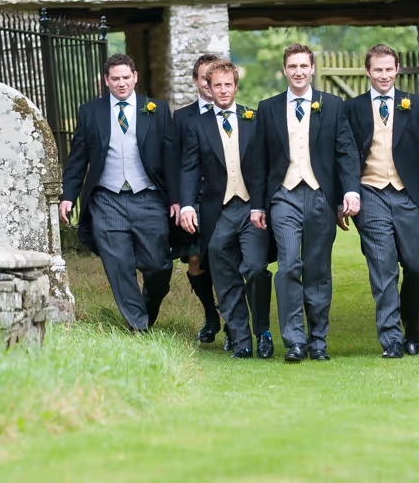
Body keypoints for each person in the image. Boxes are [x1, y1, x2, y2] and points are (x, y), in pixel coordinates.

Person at [250, 43, 361, 363]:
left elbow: (346, 153)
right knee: (288, 266)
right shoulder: (268, 108)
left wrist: (349, 192)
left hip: (320, 196)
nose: (298, 72)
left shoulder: (333, 104)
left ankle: (318, 341)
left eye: (304, 66)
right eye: (292, 66)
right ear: (285, 70)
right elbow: (259, 161)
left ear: (312, 69)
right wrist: (259, 205)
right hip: (283, 197)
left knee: (318, 270)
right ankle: (295, 341)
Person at [59, 53, 180, 331]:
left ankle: (146, 311)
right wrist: (68, 196)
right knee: (119, 265)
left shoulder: (157, 109)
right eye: (115, 79)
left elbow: (171, 158)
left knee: (159, 266)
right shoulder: (91, 112)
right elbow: (77, 158)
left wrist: (175, 199)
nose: (122, 84)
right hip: (106, 199)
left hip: (147, 197)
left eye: (126, 77)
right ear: (106, 81)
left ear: (135, 77)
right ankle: (139, 327)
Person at [345, 44, 419, 358]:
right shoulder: (354, 107)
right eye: (378, 70)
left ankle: (412, 328)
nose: (384, 75)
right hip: (371, 193)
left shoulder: (414, 104)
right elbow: (346, 155)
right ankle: (391, 339)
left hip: (408, 195)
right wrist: (346, 194)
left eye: (389, 69)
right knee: (383, 268)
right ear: (368, 71)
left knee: (417, 267)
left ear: (397, 69)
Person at [179, 60, 272, 359]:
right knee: (225, 276)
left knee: (257, 269)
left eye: (227, 84)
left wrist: (263, 205)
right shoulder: (198, 124)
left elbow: (264, 167)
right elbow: (189, 169)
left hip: (251, 209)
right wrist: (187, 207)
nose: (222, 90)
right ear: (208, 86)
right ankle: (242, 341)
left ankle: (263, 332)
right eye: (216, 85)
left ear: (236, 86)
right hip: (216, 213)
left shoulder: (253, 119)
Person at [170, 54, 227, 346]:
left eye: (213, 78)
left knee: (227, 259)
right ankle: (210, 315)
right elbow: (175, 162)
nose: (208, 84)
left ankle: (232, 320)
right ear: (196, 81)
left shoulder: (236, 113)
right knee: (195, 259)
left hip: (226, 198)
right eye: (204, 78)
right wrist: (180, 201)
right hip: (193, 199)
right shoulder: (182, 117)